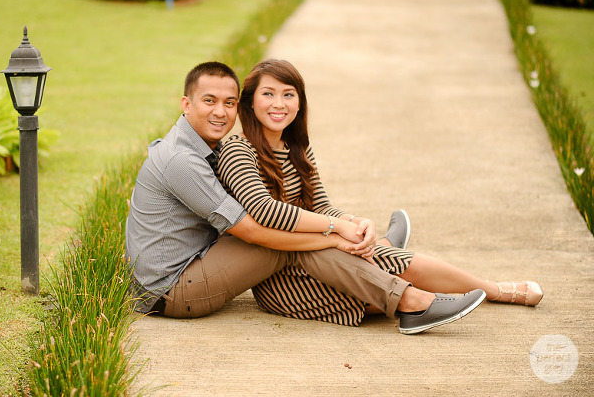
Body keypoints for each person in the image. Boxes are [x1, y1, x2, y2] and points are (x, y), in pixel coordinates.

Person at [125, 61, 490, 335]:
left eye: (228, 102)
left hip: (194, 266)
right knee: (290, 244)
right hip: (171, 291)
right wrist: (333, 233)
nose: (220, 112)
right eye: (209, 101)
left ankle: (382, 254)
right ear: (186, 103)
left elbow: (306, 205)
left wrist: (346, 227)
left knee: (308, 240)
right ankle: (409, 302)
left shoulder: (204, 145)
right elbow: (253, 229)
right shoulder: (183, 159)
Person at [216, 58, 543, 326]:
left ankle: (493, 290)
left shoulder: (297, 147)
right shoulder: (238, 150)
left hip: (321, 253)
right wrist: (337, 229)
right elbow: (264, 210)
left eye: (288, 94)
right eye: (268, 94)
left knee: (387, 259)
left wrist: (354, 222)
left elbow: (320, 204)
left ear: (300, 103)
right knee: (379, 275)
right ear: (250, 102)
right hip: (280, 276)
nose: (279, 104)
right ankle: (426, 286)